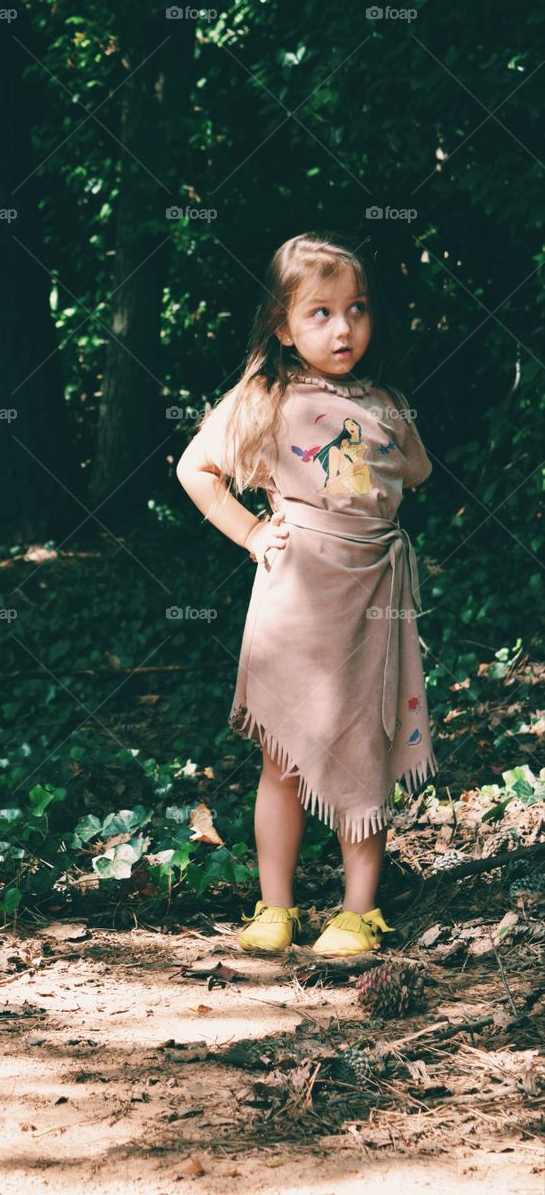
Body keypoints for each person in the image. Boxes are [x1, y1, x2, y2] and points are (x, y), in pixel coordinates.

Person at [176, 231, 438, 957]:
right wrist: (253, 533)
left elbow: (406, 477)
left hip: (369, 597)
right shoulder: (265, 397)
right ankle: (276, 906)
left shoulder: (388, 405)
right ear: (282, 326)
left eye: (354, 309)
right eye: (318, 313)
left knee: (367, 741)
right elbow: (195, 469)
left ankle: (358, 911)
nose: (342, 327)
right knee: (282, 756)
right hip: (294, 599)